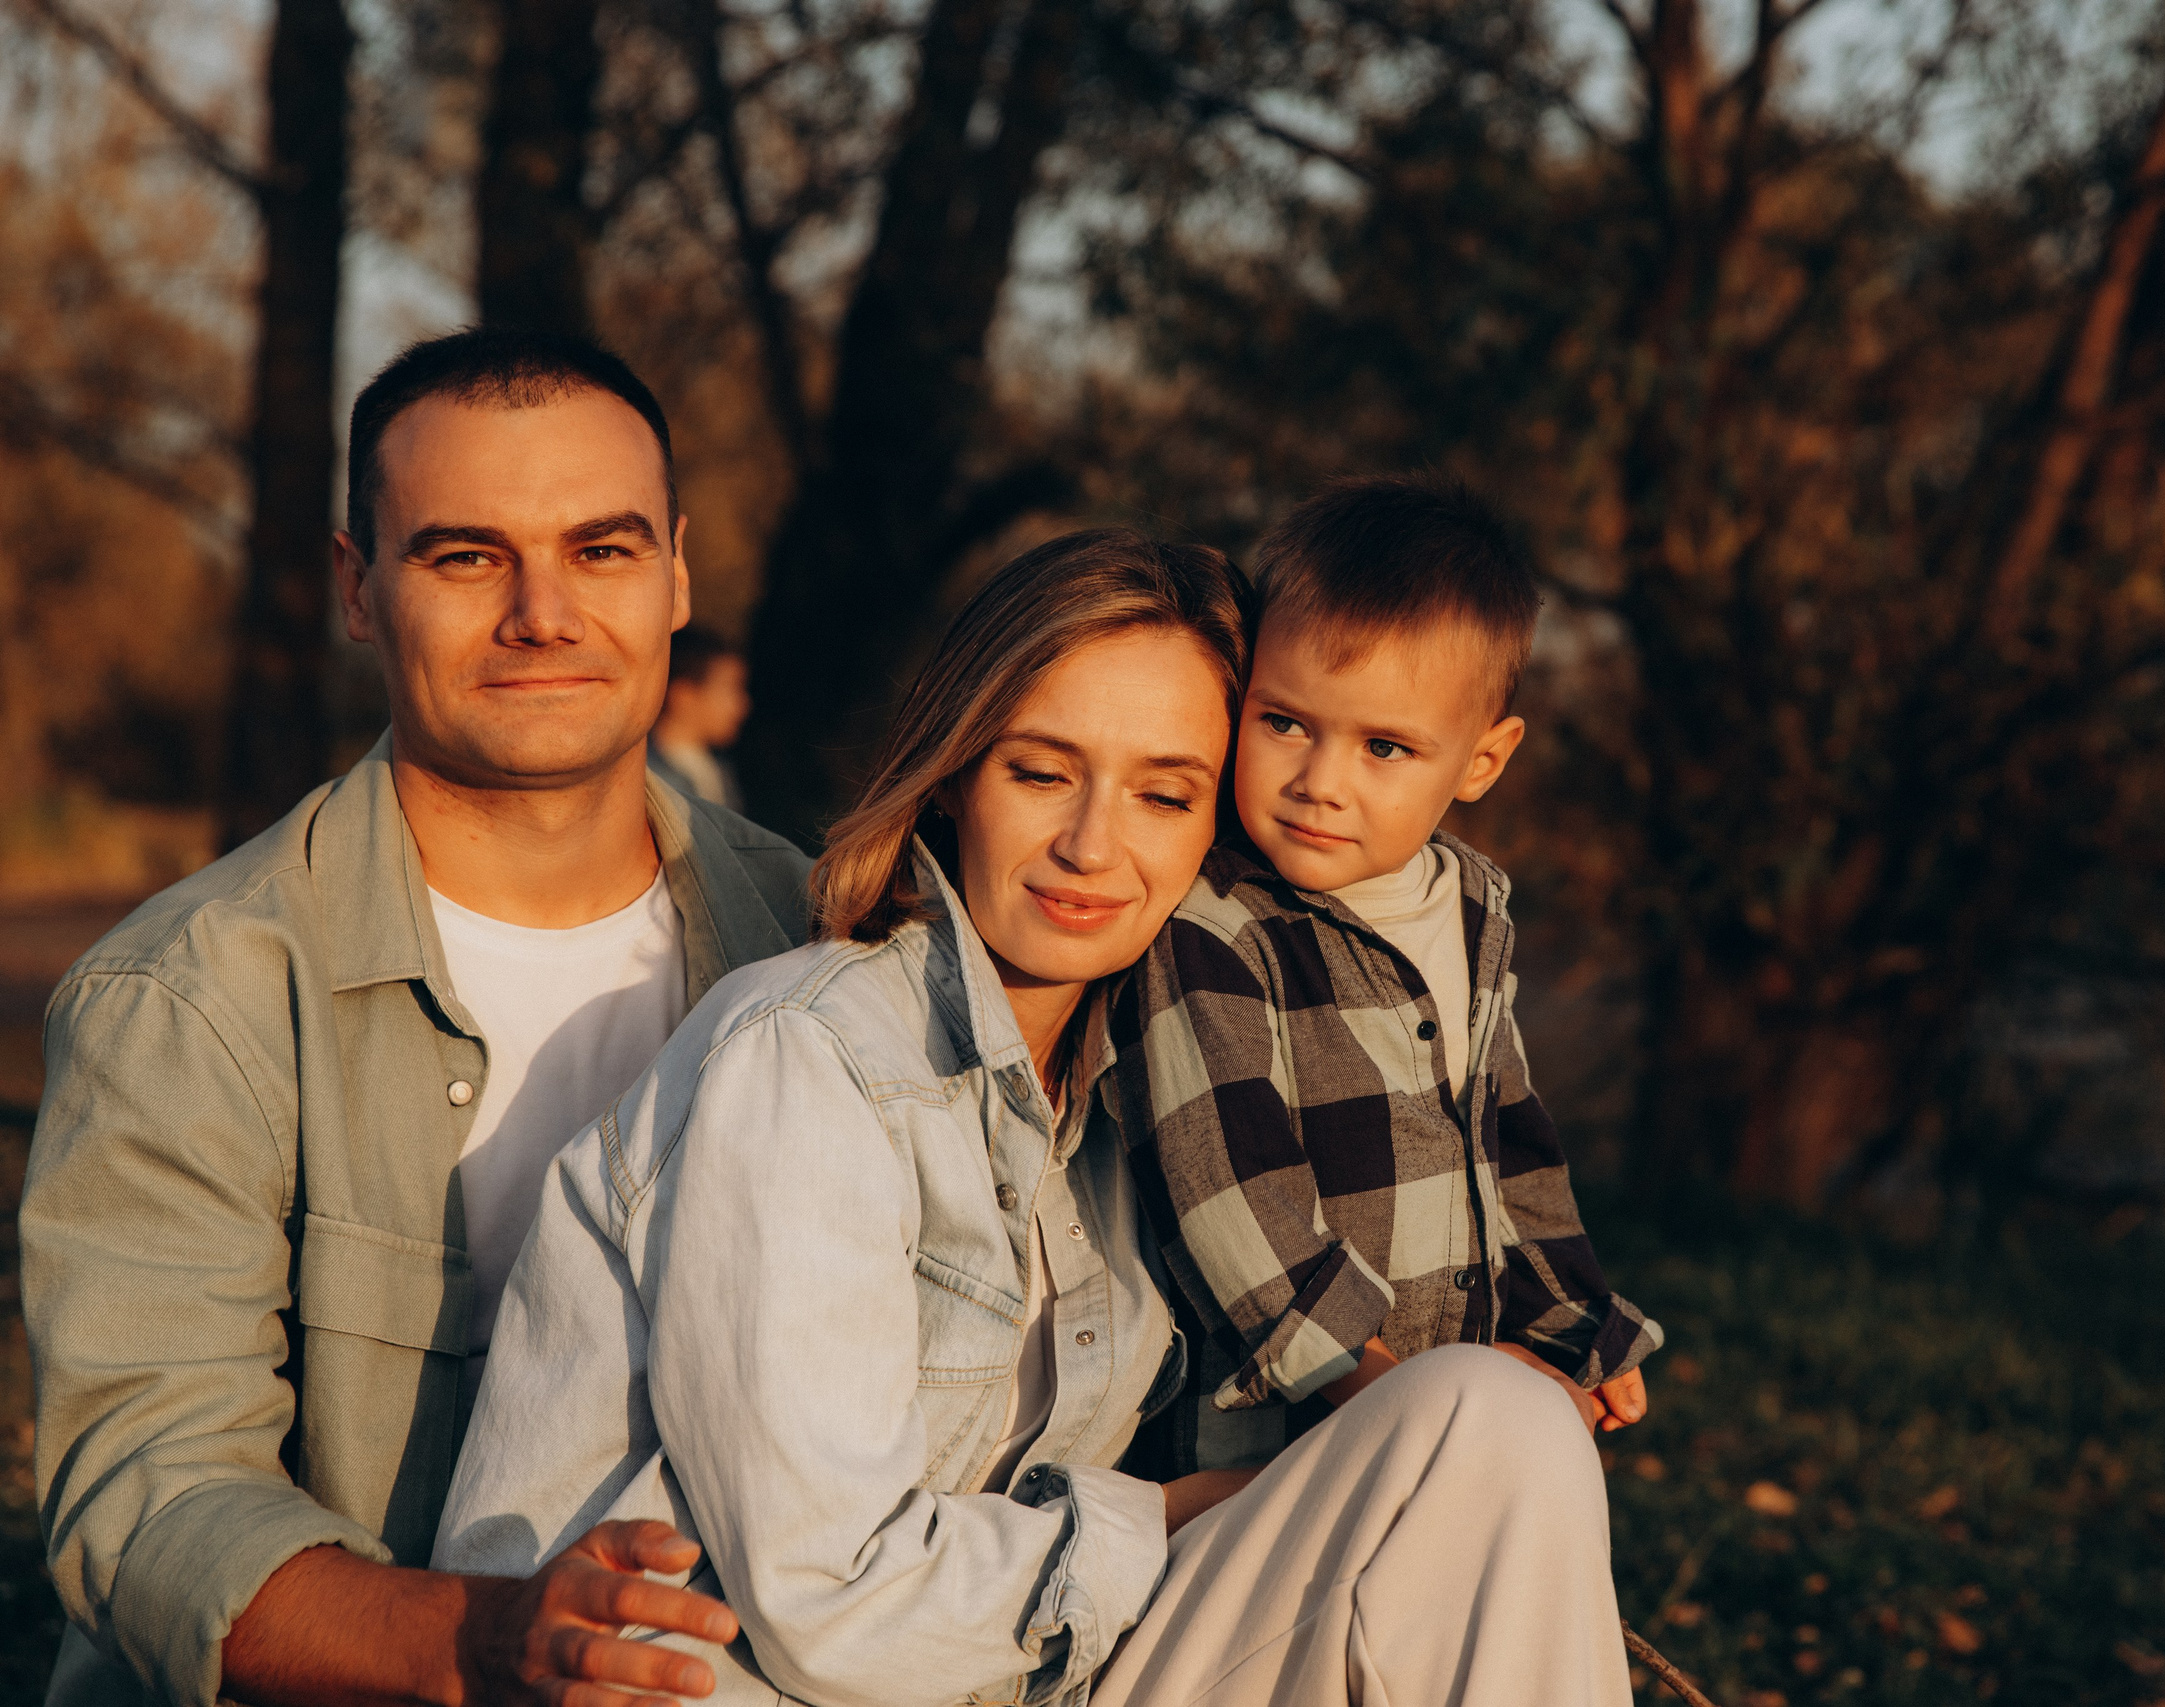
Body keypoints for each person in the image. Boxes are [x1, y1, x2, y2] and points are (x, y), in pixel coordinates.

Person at [435, 528, 1637, 1706]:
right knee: (1453, 1431)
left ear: (1215, 825)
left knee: (1496, 1419)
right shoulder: (809, 1059)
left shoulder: (1142, 1103)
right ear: (956, 771)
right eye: (1041, 771)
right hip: (757, 1684)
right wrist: (1185, 1515)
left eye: (1166, 796)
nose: (1091, 845)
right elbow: (829, 1606)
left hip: (1034, 1678)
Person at [22, 327, 808, 1707]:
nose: (543, 613)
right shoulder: (193, 997)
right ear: (358, 586)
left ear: (678, 571)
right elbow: (149, 1496)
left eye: (603, 549)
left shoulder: (815, 939)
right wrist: (497, 1638)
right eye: (466, 555)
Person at [1114, 475, 1660, 1476]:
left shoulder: (1470, 905)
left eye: (1384, 747)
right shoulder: (1213, 922)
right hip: (1277, 1439)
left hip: (1447, 1397)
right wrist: (1380, 1390)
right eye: (1284, 723)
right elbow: (1227, 1187)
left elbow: (1510, 1148)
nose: (1321, 781)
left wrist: (1571, 1327)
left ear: (1479, 763)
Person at [652, 627, 752, 811]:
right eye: (729, 689)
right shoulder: (648, 781)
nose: (742, 705)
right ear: (683, 695)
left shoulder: (721, 772)